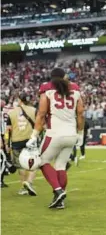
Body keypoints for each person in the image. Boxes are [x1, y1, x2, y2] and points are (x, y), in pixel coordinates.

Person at [26, 68, 85, 209]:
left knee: (41, 161)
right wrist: (80, 133)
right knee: (61, 165)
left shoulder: (47, 89)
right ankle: (60, 199)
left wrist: (34, 134)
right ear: (64, 77)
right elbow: (81, 113)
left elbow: (41, 113)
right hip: (71, 134)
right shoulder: (75, 89)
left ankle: (58, 190)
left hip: (54, 133)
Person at [6, 94, 37, 196]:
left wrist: (7, 143)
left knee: (20, 166)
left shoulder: (11, 113)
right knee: (33, 164)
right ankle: (29, 183)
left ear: (19, 100)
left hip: (16, 141)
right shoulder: (33, 110)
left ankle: (23, 187)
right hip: (30, 140)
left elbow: (8, 130)